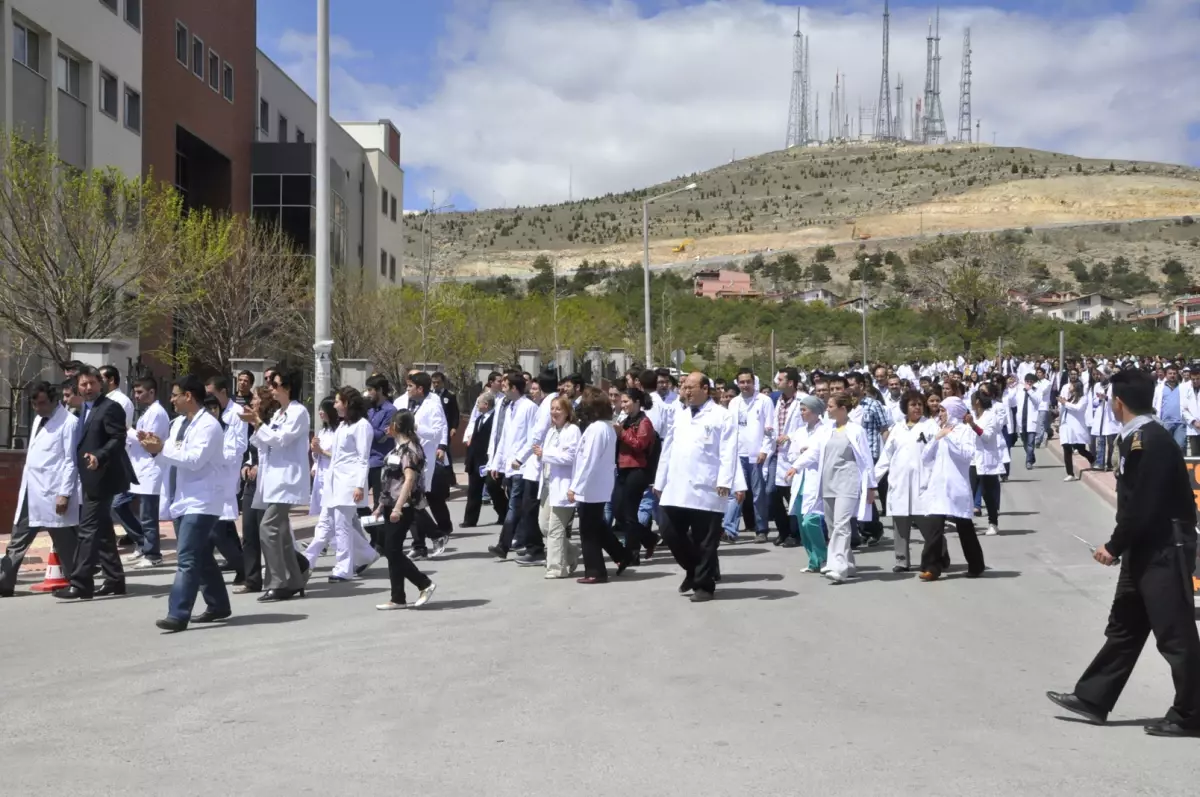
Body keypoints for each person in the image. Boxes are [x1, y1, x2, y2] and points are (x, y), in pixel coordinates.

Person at [1047, 367, 1200, 737]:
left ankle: (1192, 714)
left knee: (1175, 635)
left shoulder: (1149, 441)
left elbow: (1143, 506)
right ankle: (1093, 697)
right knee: (1126, 628)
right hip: (1144, 550)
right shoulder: (1138, 438)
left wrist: (1114, 545)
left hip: (1163, 549)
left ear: (1118, 402)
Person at [140, 376, 231, 632]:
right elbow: (170, 457)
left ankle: (178, 613)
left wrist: (162, 449)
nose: (172, 400)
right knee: (200, 556)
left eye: (175, 395)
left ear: (189, 396)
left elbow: (195, 460)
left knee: (187, 558)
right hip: (183, 499)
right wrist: (154, 448)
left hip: (202, 501)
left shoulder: (209, 426)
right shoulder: (179, 423)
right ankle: (218, 605)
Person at [654, 372, 739, 602]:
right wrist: (660, 480)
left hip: (708, 486)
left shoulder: (722, 415)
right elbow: (668, 448)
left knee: (705, 539)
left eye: (691, 387)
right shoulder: (679, 415)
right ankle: (693, 569)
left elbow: (729, 449)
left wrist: (725, 480)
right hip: (677, 485)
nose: (686, 391)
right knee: (669, 530)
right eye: (684, 387)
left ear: (705, 388)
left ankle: (704, 585)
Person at [56, 367, 137, 601]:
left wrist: (99, 456)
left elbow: (117, 438)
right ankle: (114, 580)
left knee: (87, 530)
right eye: (83, 384)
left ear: (101, 384)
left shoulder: (110, 407)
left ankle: (81, 583)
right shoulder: (83, 409)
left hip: (103, 478)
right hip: (90, 478)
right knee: (102, 532)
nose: (88, 388)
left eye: (92, 383)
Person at [1, 382, 80, 597]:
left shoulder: (69, 423)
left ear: (55, 400)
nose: (37, 408)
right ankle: (5, 583)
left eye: (42, 403)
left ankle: (78, 582)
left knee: (64, 540)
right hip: (31, 490)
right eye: (34, 404)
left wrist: (64, 494)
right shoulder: (38, 419)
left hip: (53, 492)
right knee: (18, 538)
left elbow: (70, 461)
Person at [791, 394, 876, 584]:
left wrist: (871, 486)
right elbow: (814, 451)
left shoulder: (856, 430)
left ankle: (838, 567)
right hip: (828, 483)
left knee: (841, 524)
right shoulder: (827, 430)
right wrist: (796, 466)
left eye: (830, 406)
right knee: (831, 525)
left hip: (848, 482)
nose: (827, 410)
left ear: (843, 408)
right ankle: (849, 564)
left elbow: (866, 459)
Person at [247, 370, 311, 602]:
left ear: (288, 387)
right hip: (274, 478)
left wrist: (258, 423)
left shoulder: (298, 412)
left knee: (268, 527)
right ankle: (294, 579)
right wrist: (256, 424)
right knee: (281, 533)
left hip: (287, 479)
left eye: (275, 383)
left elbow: (281, 439)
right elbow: (262, 441)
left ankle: (279, 581)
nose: (271, 388)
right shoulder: (278, 414)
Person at [373, 410, 438, 610]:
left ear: (396, 426)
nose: (387, 428)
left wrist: (398, 507)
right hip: (390, 504)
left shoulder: (409, 450)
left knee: (392, 550)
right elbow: (391, 481)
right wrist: (380, 506)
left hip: (402, 506)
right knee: (391, 550)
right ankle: (397, 597)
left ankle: (424, 583)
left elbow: (408, 480)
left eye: (390, 424)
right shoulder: (397, 449)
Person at [312, 388, 378, 582]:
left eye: (338, 402)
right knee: (329, 525)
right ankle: (366, 555)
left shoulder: (362, 426)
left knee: (342, 526)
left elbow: (362, 458)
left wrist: (359, 486)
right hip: (334, 482)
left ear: (347, 403)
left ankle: (343, 568)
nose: (335, 405)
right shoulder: (342, 426)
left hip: (349, 483)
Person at [916, 397, 986, 581]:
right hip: (939, 487)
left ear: (953, 411)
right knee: (934, 529)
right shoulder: (940, 430)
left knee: (965, 529)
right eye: (939, 410)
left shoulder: (965, 431)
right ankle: (932, 567)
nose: (940, 414)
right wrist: (936, 438)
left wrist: (950, 437)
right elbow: (926, 458)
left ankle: (976, 565)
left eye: (943, 410)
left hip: (957, 487)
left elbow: (967, 455)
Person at [570, 386, 630, 584]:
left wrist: (575, 487)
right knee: (597, 525)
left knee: (588, 530)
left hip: (591, 486)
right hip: (598, 484)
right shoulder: (606, 426)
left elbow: (588, 460)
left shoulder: (597, 429)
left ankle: (595, 570)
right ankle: (621, 554)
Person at [873, 390, 934, 572]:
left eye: (920, 404)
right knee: (900, 524)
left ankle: (938, 555)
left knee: (928, 525)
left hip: (922, 482)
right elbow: (886, 456)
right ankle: (902, 560)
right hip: (899, 482)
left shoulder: (930, 425)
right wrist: (873, 480)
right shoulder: (897, 428)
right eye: (913, 405)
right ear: (905, 407)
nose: (917, 408)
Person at [487, 372, 539, 561]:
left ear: (515, 388)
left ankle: (504, 544)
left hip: (523, 467)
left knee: (514, 506)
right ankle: (527, 542)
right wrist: (496, 463)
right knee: (518, 507)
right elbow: (504, 439)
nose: (502, 387)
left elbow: (532, 438)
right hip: (510, 465)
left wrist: (520, 458)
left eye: (505, 385)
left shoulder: (529, 408)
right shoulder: (509, 408)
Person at [120, 377, 170, 569]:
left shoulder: (157, 413)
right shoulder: (148, 412)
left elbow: (149, 442)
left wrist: (128, 431)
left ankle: (153, 554)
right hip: (138, 469)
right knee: (119, 504)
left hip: (151, 469)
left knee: (148, 516)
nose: (136, 396)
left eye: (140, 392)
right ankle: (142, 543)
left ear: (151, 392)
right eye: (135, 392)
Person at [204, 378, 248, 583]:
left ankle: (242, 566)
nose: (210, 398)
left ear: (223, 392)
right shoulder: (209, 413)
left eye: (213, 393)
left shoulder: (236, 414)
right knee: (223, 526)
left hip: (226, 476)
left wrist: (214, 454)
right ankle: (240, 564)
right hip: (210, 477)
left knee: (217, 529)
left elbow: (239, 447)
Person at [534, 396, 581, 578]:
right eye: (552, 409)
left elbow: (570, 458)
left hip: (564, 485)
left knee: (555, 528)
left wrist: (545, 454)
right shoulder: (551, 431)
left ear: (567, 412)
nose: (554, 412)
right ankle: (571, 553)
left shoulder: (573, 431)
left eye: (558, 409)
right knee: (544, 525)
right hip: (548, 485)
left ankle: (556, 567)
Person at [407, 371, 452, 558]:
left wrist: (416, 428)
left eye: (410, 386)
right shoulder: (413, 404)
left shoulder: (433, 405)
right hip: (411, 457)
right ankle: (424, 541)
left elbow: (437, 431)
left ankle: (434, 535)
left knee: (411, 502)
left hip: (424, 460)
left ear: (420, 388)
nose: (407, 390)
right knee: (411, 502)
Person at [727, 369, 775, 544]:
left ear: (754, 382)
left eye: (748, 382)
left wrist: (764, 449)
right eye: (742, 382)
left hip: (756, 454)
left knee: (758, 494)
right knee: (736, 493)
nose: (745, 385)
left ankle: (761, 529)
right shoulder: (733, 403)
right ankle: (730, 529)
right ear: (737, 383)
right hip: (738, 453)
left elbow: (770, 428)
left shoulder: (764, 401)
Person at [783, 394, 829, 572]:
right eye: (801, 410)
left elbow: (821, 454)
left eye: (804, 410)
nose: (801, 413)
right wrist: (800, 453)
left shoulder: (825, 431)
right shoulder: (799, 432)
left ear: (816, 412)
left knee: (811, 521)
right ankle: (813, 560)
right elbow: (791, 455)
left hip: (815, 479)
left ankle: (823, 556)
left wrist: (807, 453)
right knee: (802, 524)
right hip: (799, 481)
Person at [614, 386, 659, 564]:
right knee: (619, 510)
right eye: (622, 401)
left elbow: (640, 444)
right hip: (622, 467)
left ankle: (632, 552)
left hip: (638, 469)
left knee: (630, 513)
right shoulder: (625, 419)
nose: (622, 405)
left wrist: (622, 433)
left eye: (626, 401)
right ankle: (649, 538)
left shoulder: (644, 422)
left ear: (637, 402)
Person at [769, 368, 805, 547]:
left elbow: (809, 425)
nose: (777, 382)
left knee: (792, 496)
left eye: (780, 379)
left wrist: (791, 436)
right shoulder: (778, 401)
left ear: (790, 382)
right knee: (772, 493)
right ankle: (783, 531)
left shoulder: (802, 400)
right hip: (776, 453)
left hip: (794, 453)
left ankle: (795, 533)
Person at [462, 393, 503, 527]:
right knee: (474, 490)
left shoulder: (495, 419)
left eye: (478, 403)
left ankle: (504, 514)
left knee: (493, 488)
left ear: (486, 404)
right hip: (475, 460)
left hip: (487, 460)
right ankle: (470, 520)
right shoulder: (479, 418)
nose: (477, 405)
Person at [971, 390, 1006, 536]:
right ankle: (965, 523)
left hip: (987, 461)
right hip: (972, 459)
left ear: (977, 401)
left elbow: (987, 436)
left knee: (987, 494)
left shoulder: (990, 416)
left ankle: (993, 523)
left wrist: (973, 425)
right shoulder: (972, 416)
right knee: (969, 492)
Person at [364, 374, 396, 524]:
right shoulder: (370, 411)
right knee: (356, 501)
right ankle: (372, 530)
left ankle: (380, 541)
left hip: (380, 462)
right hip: (365, 461)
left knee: (380, 502)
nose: (368, 393)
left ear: (380, 390)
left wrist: (365, 424)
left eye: (371, 390)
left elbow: (382, 436)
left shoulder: (390, 411)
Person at [1059, 376, 1095, 482]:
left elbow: (1078, 408)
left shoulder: (1083, 398)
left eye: (1072, 385)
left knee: (1081, 449)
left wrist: (1065, 403)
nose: (1069, 386)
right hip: (1066, 426)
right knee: (1066, 448)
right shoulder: (1070, 398)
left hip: (1076, 428)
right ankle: (1070, 473)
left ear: (1076, 387)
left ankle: (1092, 459)